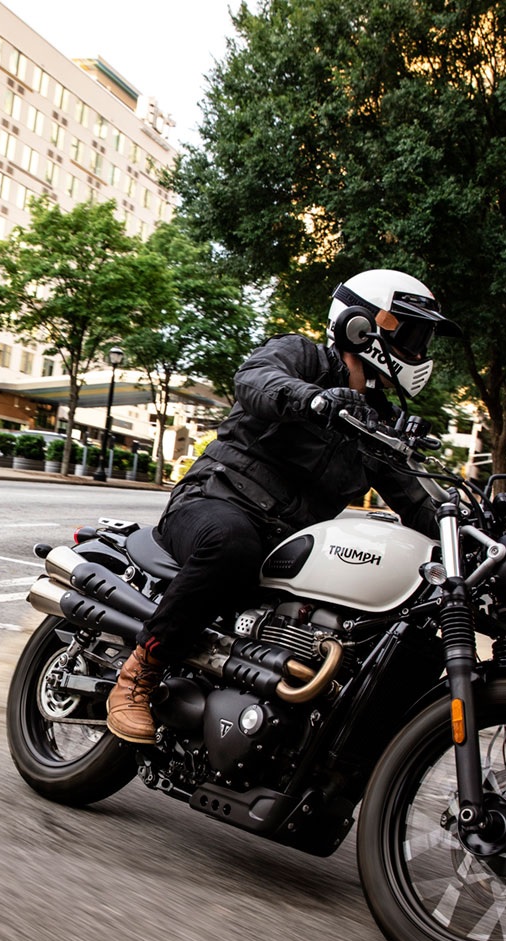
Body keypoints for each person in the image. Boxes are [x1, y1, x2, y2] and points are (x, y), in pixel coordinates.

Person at [105, 269, 460, 743]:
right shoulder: (302, 357)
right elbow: (255, 380)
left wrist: (478, 530)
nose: (419, 351)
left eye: (423, 339)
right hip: (213, 501)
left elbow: (416, 499)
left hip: (285, 544)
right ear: (361, 326)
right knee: (231, 544)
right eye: (411, 334)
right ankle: (138, 674)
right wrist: (313, 400)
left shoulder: (381, 422)